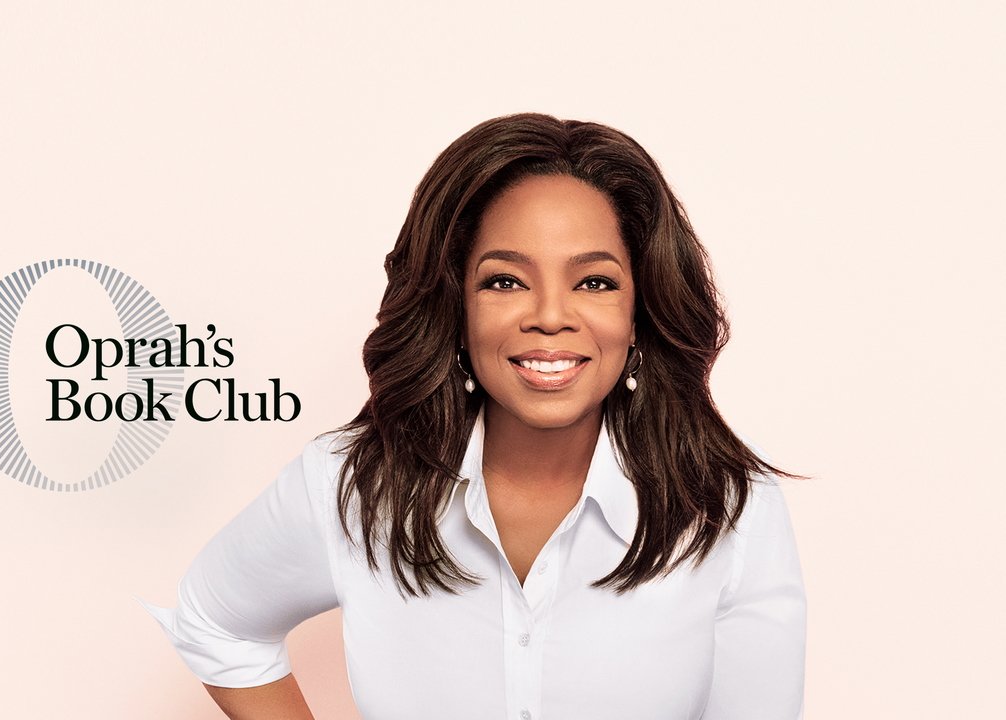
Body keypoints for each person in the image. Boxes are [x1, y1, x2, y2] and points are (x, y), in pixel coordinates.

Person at [139, 112, 807, 719]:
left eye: (595, 281)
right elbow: (214, 621)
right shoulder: (350, 486)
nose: (550, 315)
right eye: (504, 281)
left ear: (639, 315)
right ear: (455, 308)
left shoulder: (730, 506)